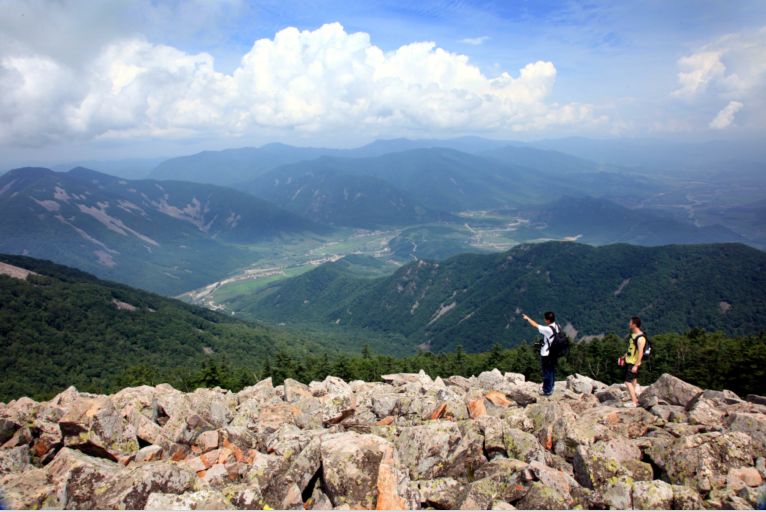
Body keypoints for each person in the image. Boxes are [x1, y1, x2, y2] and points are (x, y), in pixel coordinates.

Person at [521, 311, 560, 396]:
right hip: (554, 352)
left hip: (546, 354)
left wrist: (527, 318)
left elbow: (535, 325)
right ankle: (551, 386)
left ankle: (547, 390)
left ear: (548, 320)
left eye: (545, 319)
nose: (544, 320)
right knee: (551, 370)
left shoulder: (547, 329)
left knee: (546, 372)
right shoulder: (557, 326)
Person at [620, 316, 646, 408]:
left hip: (634, 363)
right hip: (630, 360)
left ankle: (634, 402)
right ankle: (634, 397)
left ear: (634, 324)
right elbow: (631, 348)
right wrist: (625, 356)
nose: (629, 324)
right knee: (633, 380)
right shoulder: (633, 335)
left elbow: (641, 353)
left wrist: (636, 365)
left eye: (630, 322)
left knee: (627, 382)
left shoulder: (640, 338)